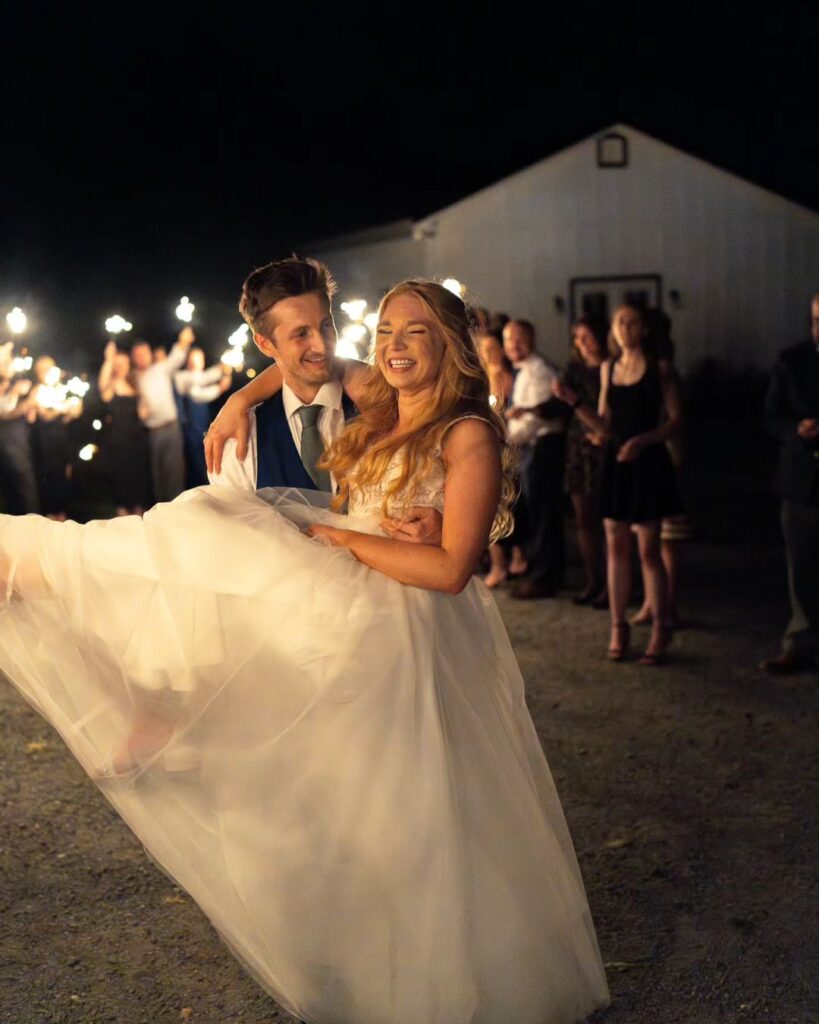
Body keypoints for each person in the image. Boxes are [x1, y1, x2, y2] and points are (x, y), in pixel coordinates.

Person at [0, 274, 609, 1024]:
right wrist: (240, 400)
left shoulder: (466, 433)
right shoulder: (379, 400)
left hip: (405, 628)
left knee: (399, 806)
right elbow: (294, 367)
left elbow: (452, 570)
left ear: (448, 343)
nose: (391, 346)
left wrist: (336, 536)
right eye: (384, 332)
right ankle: (49, 573)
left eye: (413, 332)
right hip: (355, 600)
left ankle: (52, 576)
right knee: (208, 537)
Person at [205, 257, 443, 545]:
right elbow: (235, 547)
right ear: (265, 344)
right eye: (301, 334)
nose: (322, 345)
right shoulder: (241, 438)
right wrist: (240, 398)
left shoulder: (387, 402)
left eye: (326, 325)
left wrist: (440, 522)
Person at [555, 304, 682, 665]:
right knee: (616, 548)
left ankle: (660, 629)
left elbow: (675, 421)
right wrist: (574, 402)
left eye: (632, 321)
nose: (625, 328)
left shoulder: (660, 370)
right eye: (619, 322)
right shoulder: (610, 369)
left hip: (647, 464)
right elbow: (605, 424)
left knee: (648, 551)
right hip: (617, 464)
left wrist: (644, 441)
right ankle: (618, 627)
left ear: (642, 329)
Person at [759, 294, 819, 674]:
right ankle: (801, 642)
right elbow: (771, 416)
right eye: (816, 319)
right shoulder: (792, 361)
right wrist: (796, 430)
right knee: (802, 565)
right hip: (802, 481)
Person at [503, 319, 568, 599]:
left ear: (531, 338)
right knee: (536, 512)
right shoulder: (525, 371)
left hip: (543, 447)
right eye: (508, 340)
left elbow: (536, 417)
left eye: (519, 339)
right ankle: (540, 571)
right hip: (531, 447)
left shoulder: (540, 371)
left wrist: (508, 438)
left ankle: (546, 576)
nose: (513, 345)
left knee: (544, 514)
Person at [563, 315, 608, 605]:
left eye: (587, 337)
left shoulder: (610, 370)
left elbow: (603, 422)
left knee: (607, 521)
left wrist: (573, 401)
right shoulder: (573, 371)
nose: (582, 344)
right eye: (577, 339)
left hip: (604, 449)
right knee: (583, 520)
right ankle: (592, 580)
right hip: (579, 449)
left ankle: (612, 583)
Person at [476, 329, 523, 588]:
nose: (490, 354)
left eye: (494, 349)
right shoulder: (479, 377)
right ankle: (497, 562)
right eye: (486, 350)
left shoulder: (505, 377)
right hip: (488, 441)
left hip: (503, 444)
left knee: (503, 505)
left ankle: (507, 560)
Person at [130, 329, 194, 503]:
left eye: (144, 352)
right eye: (137, 354)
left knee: (174, 472)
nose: (141, 357)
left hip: (170, 428)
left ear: (150, 354)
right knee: (156, 477)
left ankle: (177, 513)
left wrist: (184, 341)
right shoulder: (132, 378)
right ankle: (160, 516)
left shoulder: (160, 369)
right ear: (133, 358)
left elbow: (176, 357)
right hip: (150, 433)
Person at [98, 342, 151, 515]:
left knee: (138, 480)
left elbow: (141, 412)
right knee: (122, 480)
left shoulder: (134, 384)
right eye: (117, 364)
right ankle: (123, 520)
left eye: (123, 363)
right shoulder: (111, 385)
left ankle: (139, 517)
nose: (120, 366)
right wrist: (108, 359)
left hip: (136, 439)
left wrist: (145, 410)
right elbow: (102, 388)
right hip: (118, 440)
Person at [29, 355, 83, 521]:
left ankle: (63, 513)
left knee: (64, 478)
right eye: (43, 369)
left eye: (50, 368)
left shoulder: (63, 389)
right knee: (49, 481)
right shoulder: (38, 391)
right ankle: (51, 515)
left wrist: (72, 406)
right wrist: (62, 408)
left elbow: (76, 410)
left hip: (64, 443)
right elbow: (45, 415)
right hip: (45, 445)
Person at [173, 339, 232, 488]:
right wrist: (219, 383)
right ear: (187, 361)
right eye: (193, 359)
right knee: (197, 465)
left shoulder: (200, 377)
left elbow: (204, 378)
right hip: (190, 429)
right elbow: (198, 392)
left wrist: (225, 372)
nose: (195, 362)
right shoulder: (182, 377)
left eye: (199, 359)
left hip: (203, 425)